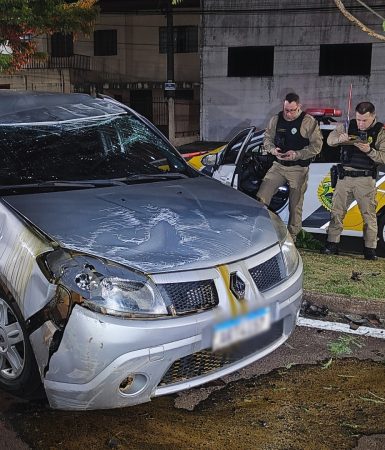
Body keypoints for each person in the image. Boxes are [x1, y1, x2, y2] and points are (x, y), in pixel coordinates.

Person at [321, 101, 385, 260]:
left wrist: (369, 150)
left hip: (365, 179)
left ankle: (370, 249)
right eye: (359, 119)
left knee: (369, 216)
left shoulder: (380, 132)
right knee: (337, 212)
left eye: (365, 120)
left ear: (373, 117)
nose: (361, 123)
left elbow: (383, 157)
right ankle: (332, 244)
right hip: (344, 177)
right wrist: (340, 139)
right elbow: (329, 141)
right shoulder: (348, 125)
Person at [256, 92, 323, 241]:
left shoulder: (308, 122)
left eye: (292, 110)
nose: (289, 113)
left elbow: (317, 146)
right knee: (261, 197)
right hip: (279, 165)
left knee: (295, 206)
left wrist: (297, 154)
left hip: (298, 168)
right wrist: (273, 150)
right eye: (286, 109)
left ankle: (292, 238)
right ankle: (260, 231)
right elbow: (267, 139)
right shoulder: (276, 119)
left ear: (299, 106)